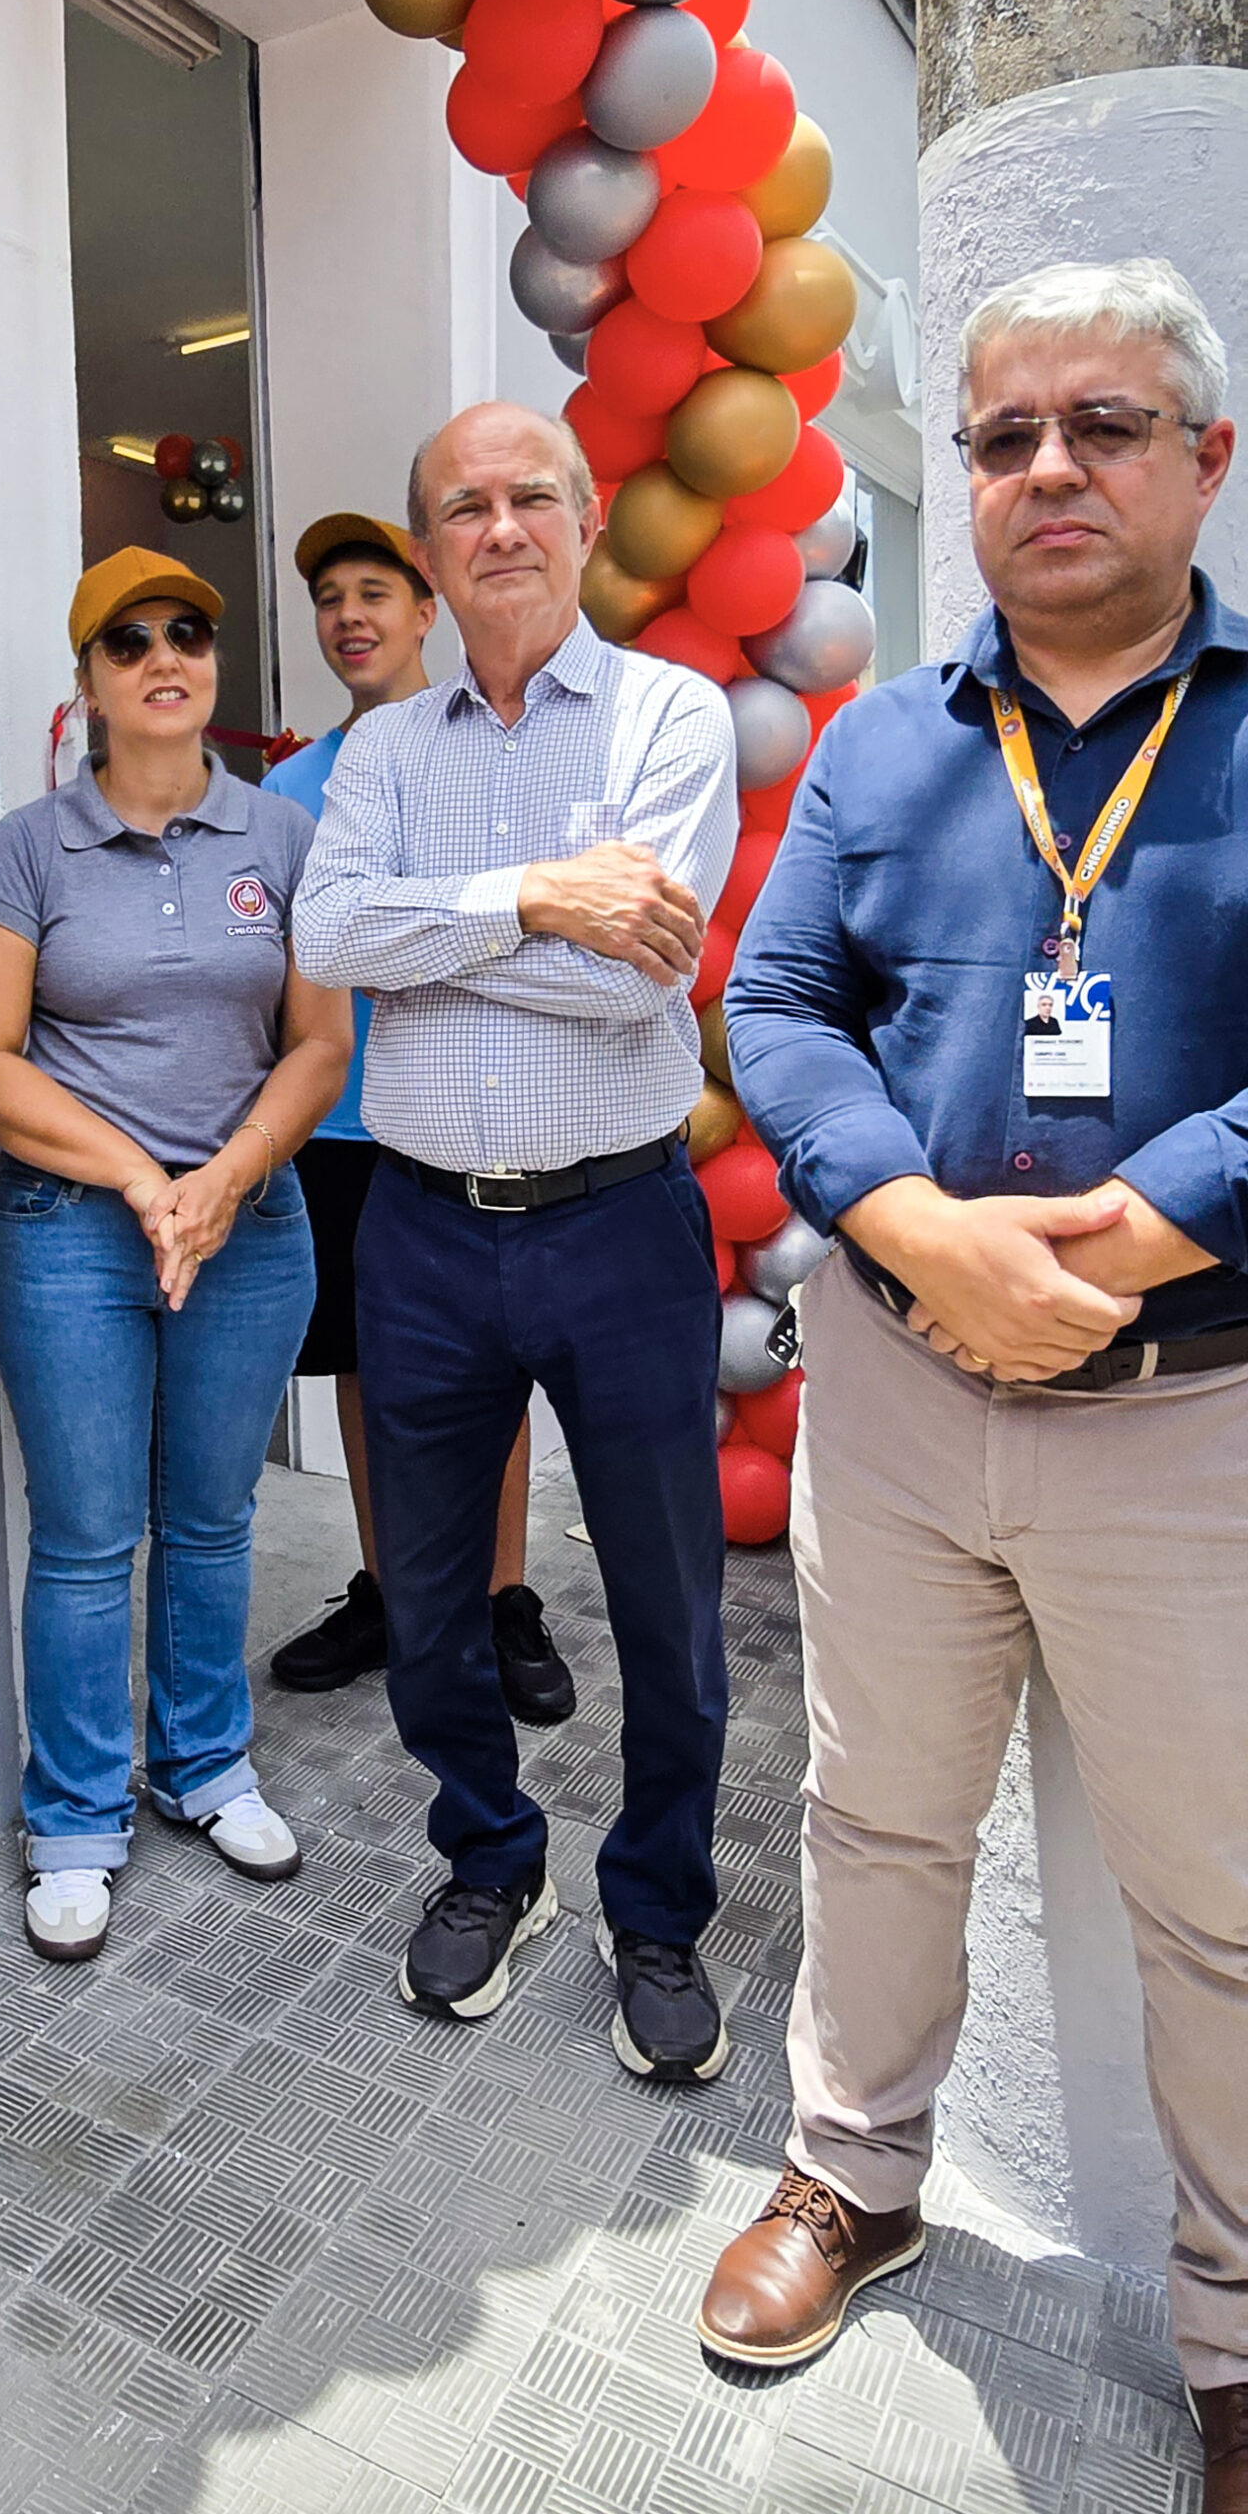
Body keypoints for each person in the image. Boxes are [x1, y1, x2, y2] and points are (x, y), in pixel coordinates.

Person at [705, 259, 1248, 2503]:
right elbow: (773, 994)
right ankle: (855, 2165)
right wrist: (905, 1221)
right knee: (874, 1807)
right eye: (1007, 432)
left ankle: (1231, 2322)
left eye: (1100, 424)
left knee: (1218, 1888)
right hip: (905, 1392)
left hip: (1190, 1411)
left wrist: (1146, 1229)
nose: (1044, 469)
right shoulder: (888, 737)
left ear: (1201, 459)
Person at [295, 405, 738, 2065]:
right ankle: (489, 1856)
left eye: (527, 498)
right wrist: (533, 897)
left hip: (614, 1223)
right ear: (426, 550)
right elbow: (330, 931)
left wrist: (469, 932)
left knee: (664, 1604)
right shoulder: (382, 756)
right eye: (461, 506)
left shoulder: (664, 716)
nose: (497, 528)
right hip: (417, 1237)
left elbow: (645, 970)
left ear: (585, 516)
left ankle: (660, 1905)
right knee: (423, 1599)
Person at [0, 549, 351, 1964]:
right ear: (92, 681)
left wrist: (226, 1180)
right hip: (73, 1232)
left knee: (213, 1519)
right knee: (85, 1539)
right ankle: (74, 1815)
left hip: (248, 1232)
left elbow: (318, 1043)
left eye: (190, 632)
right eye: (130, 641)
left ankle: (203, 1766)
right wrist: (140, 1181)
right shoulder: (27, 850)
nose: (165, 656)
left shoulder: (281, 842)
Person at [263, 513, 574, 1727]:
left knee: (485, 1374)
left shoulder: (477, 756)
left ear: (423, 607)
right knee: (358, 1366)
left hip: (458, 1114)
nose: (349, 615)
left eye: (372, 593)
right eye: (329, 596)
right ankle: (389, 1592)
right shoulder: (287, 787)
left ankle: (500, 1599)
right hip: (335, 1132)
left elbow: (510, 924)